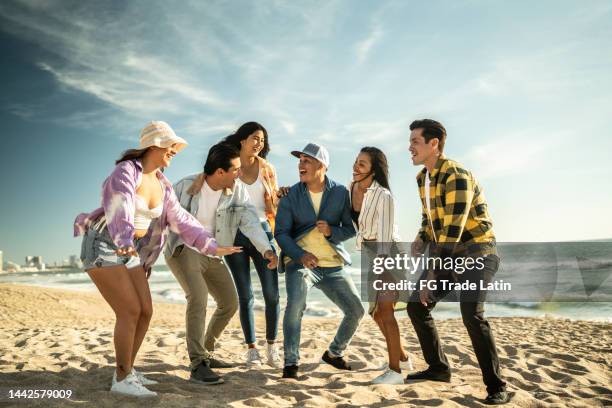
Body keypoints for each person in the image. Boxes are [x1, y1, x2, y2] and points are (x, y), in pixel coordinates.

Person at [74, 121, 241, 397]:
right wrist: (125, 240)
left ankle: (128, 369)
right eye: (171, 146)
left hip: (131, 251)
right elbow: (120, 207)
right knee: (129, 311)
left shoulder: (162, 183)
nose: (174, 151)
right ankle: (122, 378)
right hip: (105, 244)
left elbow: (182, 220)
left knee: (146, 311)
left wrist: (211, 246)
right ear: (154, 144)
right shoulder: (126, 172)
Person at [406, 119, 509, 405]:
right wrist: (421, 236)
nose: (409, 147)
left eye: (415, 141)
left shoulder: (456, 175)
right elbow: (431, 219)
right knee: (416, 305)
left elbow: (451, 233)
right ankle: (438, 369)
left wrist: (430, 276)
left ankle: (497, 386)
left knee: (472, 314)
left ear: (434, 144)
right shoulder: (422, 179)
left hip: (478, 252)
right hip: (451, 255)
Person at [164, 142, 278, 383]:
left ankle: (205, 350)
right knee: (198, 297)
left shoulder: (236, 191)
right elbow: (163, 221)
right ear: (219, 172)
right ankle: (198, 363)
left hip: (213, 252)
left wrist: (266, 250)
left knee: (230, 302)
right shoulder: (185, 187)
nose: (240, 174)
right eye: (235, 169)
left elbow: (249, 222)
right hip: (184, 249)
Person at [275, 142, 365, 380]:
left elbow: (350, 229)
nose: (300, 165)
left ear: (322, 166)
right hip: (301, 264)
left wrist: (331, 232)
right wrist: (299, 255)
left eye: (307, 161)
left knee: (356, 310)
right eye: (300, 161)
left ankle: (334, 353)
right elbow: (281, 233)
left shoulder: (339, 193)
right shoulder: (290, 195)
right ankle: (291, 362)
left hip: (333, 265)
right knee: (295, 305)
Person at [349, 146, 413, 385]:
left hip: (389, 255)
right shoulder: (352, 188)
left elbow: (385, 239)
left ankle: (395, 371)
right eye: (356, 161)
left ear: (374, 170)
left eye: (362, 164)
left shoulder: (384, 196)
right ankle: (404, 358)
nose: (356, 166)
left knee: (385, 312)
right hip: (370, 254)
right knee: (376, 314)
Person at [222, 122, 282, 368]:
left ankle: (271, 346)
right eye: (256, 138)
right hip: (234, 233)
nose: (260, 143)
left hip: (263, 232)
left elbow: (274, 201)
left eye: (263, 140)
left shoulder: (267, 168)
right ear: (243, 139)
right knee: (245, 294)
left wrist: (282, 196)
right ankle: (252, 350)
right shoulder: (230, 164)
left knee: (272, 294)